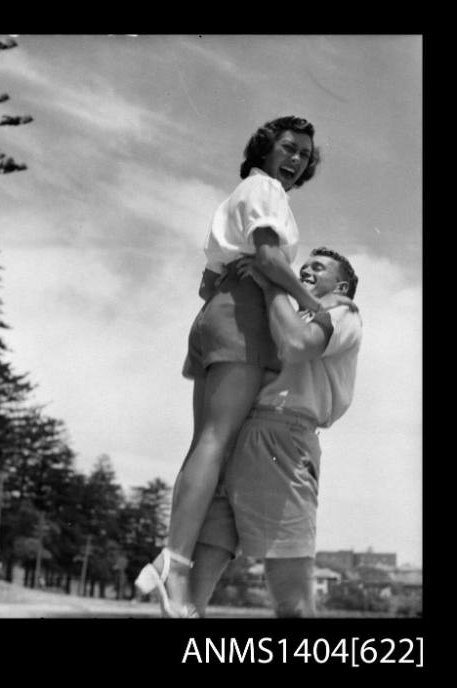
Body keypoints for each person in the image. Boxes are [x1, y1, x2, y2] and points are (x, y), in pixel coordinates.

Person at [135, 117, 350, 617]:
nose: (296, 160)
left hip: (216, 315)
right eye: (289, 148)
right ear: (265, 148)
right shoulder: (266, 189)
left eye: (304, 155)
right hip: (245, 320)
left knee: (207, 445)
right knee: (215, 443)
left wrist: (246, 278)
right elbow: (272, 260)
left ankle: (177, 566)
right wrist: (310, 303)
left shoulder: (238, 195)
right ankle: (173, 564)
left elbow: (208, 284)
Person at [188, 247, 362, 617]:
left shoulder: (341, 310)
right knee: (189, 597)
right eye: (304, 266)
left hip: (282, 439)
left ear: (341, 285)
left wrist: (272, 289)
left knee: (293, 601)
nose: (306, 270)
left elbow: (299, 345)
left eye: (319, 267)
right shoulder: (288, 311)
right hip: (241, 434)